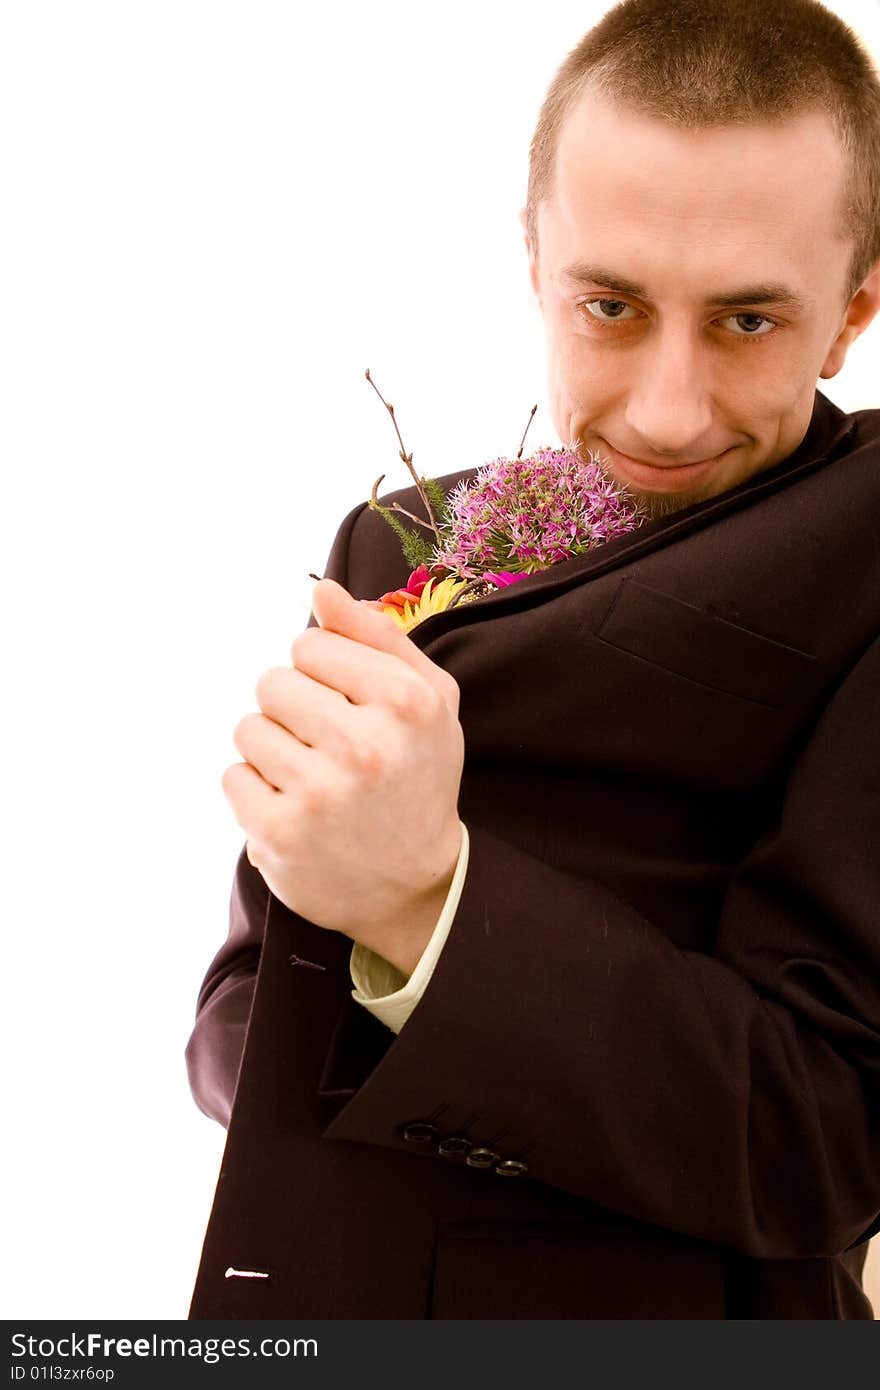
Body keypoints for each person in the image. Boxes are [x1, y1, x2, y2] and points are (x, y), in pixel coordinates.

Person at [186, 0, 880, 1319]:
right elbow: (235, 1016)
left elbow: (830, 1130)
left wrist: (422, 903)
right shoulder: (403, 535)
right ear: (533, 263)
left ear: (855, 311)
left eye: (747, 323)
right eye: (611, 306)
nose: (669, 408)